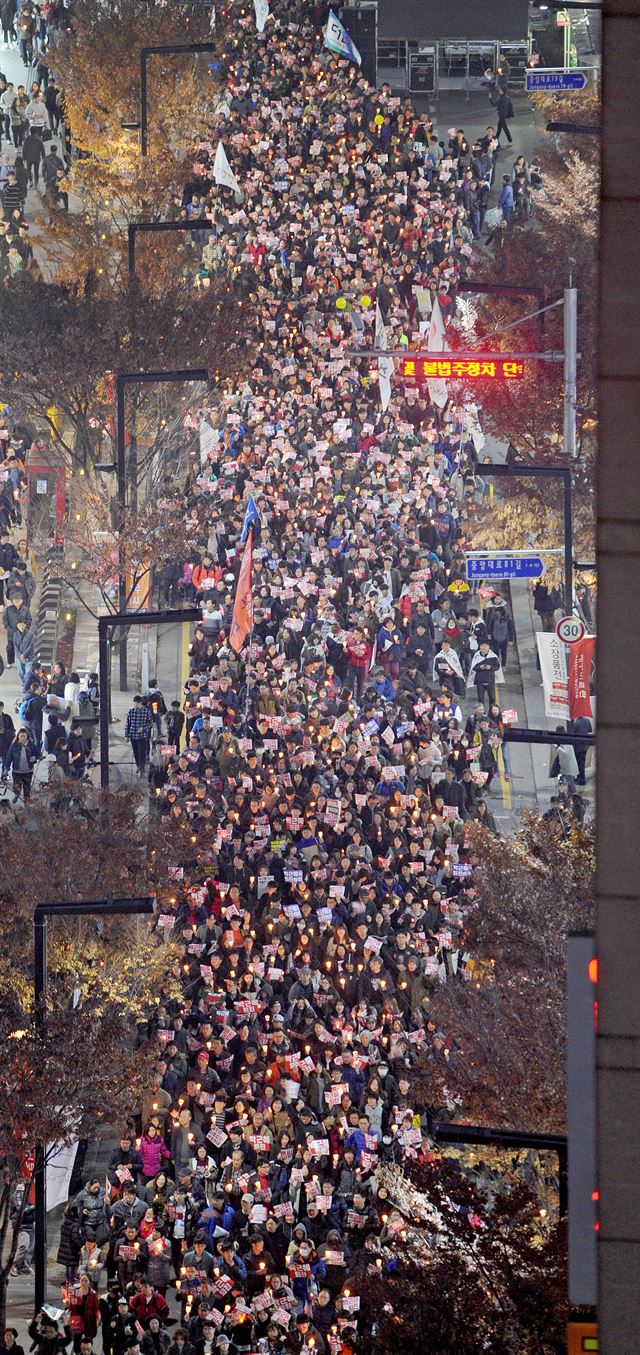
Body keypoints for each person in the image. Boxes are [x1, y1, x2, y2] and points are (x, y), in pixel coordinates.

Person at [5, 726, 38, 797]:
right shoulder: (14, 745)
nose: (23, 737)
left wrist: (34, 757)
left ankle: (26, 800)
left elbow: (37, 754)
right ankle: (17, 795)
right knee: (17, 787)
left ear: (27, 736)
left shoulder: (31, 745)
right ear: (18, 736)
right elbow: (9, 757)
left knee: (27, 788)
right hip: (17, 771)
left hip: (28, 771)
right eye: (21, 736)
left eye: (25, 736)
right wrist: (6, 769)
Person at [125, 696, 153, 776]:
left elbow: (150, 722)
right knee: (135, 752)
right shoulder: (131, 712)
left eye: (136, 703)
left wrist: (143, 728)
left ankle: (141, 767)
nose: (135, 705)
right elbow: (128, 724)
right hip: (133, 735)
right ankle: (138, 766)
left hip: (142, 736)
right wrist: (126, 735)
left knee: (142, 752)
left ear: (140, 703)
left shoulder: (146, 712)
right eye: (134, 703)